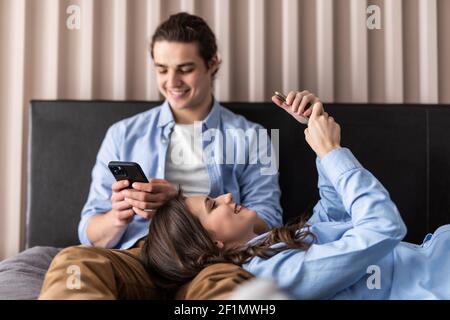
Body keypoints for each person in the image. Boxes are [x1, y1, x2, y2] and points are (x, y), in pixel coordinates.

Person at [39, 12, 286, 299]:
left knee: (227, 285)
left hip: (210, 258)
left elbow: (270, 218)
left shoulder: (252, 136)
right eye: (162, 69)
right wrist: (119, 217)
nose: (172, 81)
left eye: (185, 68)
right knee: (75, 263)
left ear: (213, 63)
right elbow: (89, 231)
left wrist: (178, 201)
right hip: (140, 253)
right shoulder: (123, 135)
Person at [141, 98, 450, 300]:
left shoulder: (268, 251)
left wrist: (317, 139)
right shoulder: (273, 272)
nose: (226, 196)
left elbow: (332, 216)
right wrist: (332, 153)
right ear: (210, 244)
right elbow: (383, 227)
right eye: (212, 205)